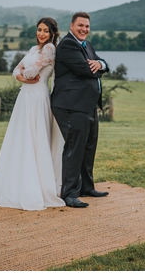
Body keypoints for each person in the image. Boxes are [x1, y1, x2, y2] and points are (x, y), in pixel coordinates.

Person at [0, 18, 65, 210]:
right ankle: (16, 183)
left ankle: (36, 186)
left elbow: (31, 72)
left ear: (53, 33)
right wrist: (21, 75)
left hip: (38, 98)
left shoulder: (50, 49)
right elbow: (16, 71)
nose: (41, 34)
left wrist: (23, 74)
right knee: (20, 138)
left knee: (36, 139)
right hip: (25, 97)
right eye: (39, 30)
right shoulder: (33, 49)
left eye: (46, 30)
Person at [50, 11, 109, 208]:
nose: (84, 29)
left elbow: (103, 64)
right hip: (70, 105)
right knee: (74, 148)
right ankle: (70, 194)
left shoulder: (87, 45)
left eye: (87, 26)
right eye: (80, 26)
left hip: (87, 105)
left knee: (89, 147)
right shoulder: (67, 44)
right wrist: (98, 67)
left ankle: (87, 187)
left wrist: (100, 63)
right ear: (72, 26)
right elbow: (85, 70)